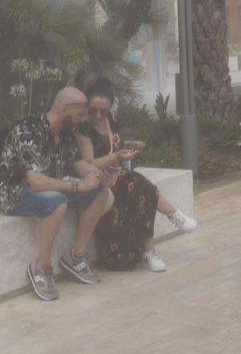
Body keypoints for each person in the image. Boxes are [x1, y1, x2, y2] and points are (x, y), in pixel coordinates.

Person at [0, 86, 116, 300]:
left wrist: (96, 175)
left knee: (99, 192)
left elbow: (78, 165)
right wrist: (77, 186)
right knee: (57, 201)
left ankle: (76, 256)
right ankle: (41, 267)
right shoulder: (28, 131)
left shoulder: (66, 133)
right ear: (64, 110)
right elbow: (36, 182)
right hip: (15, 192)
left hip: (50, 187)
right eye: (80, 114)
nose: (84, 119)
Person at [80, 77, 194, 273]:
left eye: (103, 110)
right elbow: (89, 163)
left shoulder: (112, 121)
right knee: (138, 184)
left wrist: (129, 146)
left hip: (118, 175)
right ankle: (172, 216)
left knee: (139, 189)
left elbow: (114, 145)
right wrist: (116, 155)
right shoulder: (82, 128)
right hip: (99, 178)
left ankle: (152, 248)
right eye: (93, 110)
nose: (98, 115)